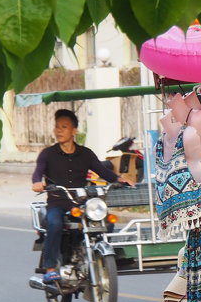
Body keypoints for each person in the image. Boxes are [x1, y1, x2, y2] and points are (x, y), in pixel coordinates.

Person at [31, 109, 131, 282]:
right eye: (57, 127)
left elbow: (103, 172)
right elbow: (38, 172)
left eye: (64, 126)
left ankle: (105, 256)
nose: (59, 130)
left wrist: (120, 180)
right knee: (54, 223)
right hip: (58, 202)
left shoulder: (86, 153)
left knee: (107, 220)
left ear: (74, 130)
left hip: (81, 202)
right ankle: (50, 267)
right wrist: (37, 183)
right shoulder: (47, 154)